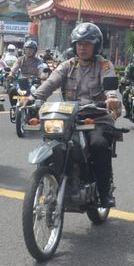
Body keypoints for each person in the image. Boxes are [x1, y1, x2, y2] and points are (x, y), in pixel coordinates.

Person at [32, 23, 121, 207]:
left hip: (97, 116)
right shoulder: (68, 65)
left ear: (96, 46)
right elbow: (51, 82)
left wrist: (111, 98)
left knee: (99, 145)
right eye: (79, 44)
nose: (82, 48)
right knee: (52, 141)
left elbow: (110, 85)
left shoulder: (104, 65)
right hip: (69, 116)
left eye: (87, 44)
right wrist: (34, 98)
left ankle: (104, 193)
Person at [7, 40, 48, 106]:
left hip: (34, 83)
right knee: (12, 90)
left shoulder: (39, 61)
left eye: (31, 49)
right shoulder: (20, 60)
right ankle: (14, 109)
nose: (28, 51)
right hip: (21, 82)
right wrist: (11, 74)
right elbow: (14, 68)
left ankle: (39, 109)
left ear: (35, 51)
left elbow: (41, 71)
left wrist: (43, 76)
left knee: (42, 93)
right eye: (27, 49)